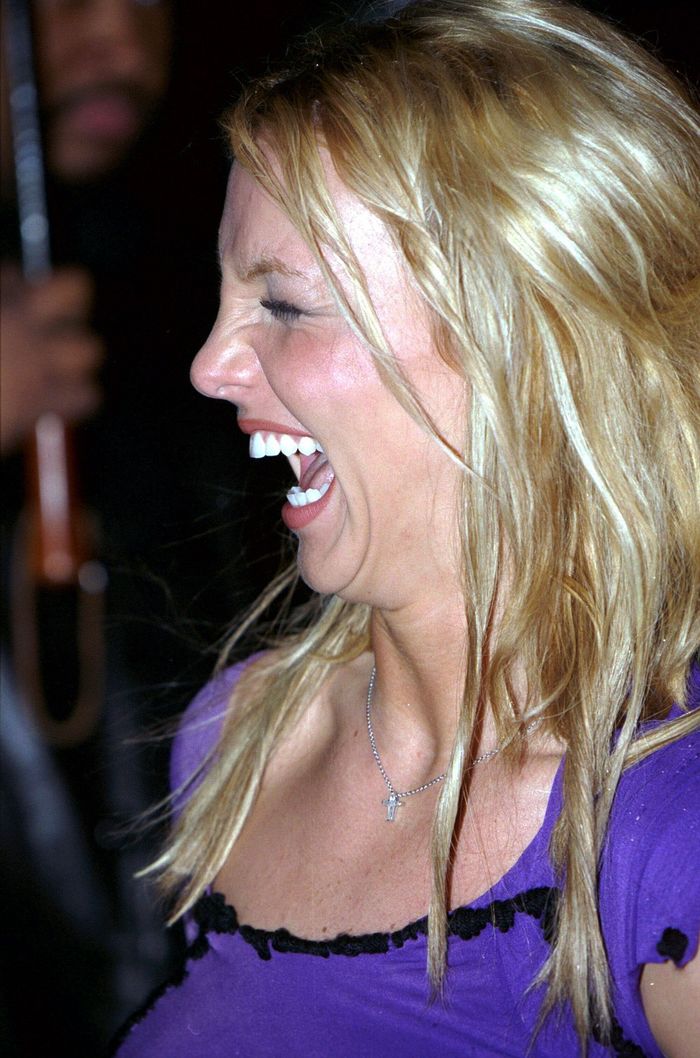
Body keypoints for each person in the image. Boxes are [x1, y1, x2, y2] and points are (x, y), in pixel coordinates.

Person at [114, 1, 700, 1055]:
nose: (209, 366)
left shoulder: (658, 830)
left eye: (284, 305)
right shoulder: (243, 737)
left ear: (527, 346)